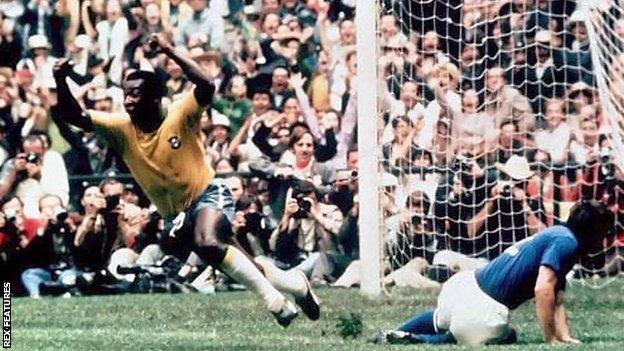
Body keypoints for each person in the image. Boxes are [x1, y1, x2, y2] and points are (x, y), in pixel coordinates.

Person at [51, 32, 318, 327]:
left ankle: (276, 302)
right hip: (176, 216)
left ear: (155, 98)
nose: (127, 100)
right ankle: (295, 284)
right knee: (236, 261)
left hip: (208, 194)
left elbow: (207, 84)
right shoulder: (120, 127)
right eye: (126, 93)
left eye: (135, 94)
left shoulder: (179, 114)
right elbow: (73, 115)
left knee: (208, 242)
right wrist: (60, 81)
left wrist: (169, 49)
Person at [372, 200, 615, 346]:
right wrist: (550, 339)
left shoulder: (558, 234)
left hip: (463, 286)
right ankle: (418, 341)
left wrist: (565, 337)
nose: (605, 238)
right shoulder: (568, 244)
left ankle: (391, 333)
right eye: (604, 231)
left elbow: (557, 298)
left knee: (439, 319)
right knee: (504, 336)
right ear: (593, 230)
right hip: (484, 308)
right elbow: (543, 289)